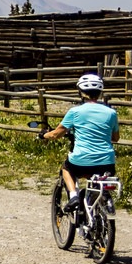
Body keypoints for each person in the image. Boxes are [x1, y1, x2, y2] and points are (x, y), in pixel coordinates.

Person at [40, 73, 118, 213]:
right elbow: (115, 137)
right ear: (100, 93)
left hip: (81, 161)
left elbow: (57, 134)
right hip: (108, 161)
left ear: (81, 92)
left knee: (67, 168)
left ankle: (74, 196)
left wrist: (44, 135)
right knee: (98, 178)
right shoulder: (111, 113)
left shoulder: (75, 111)